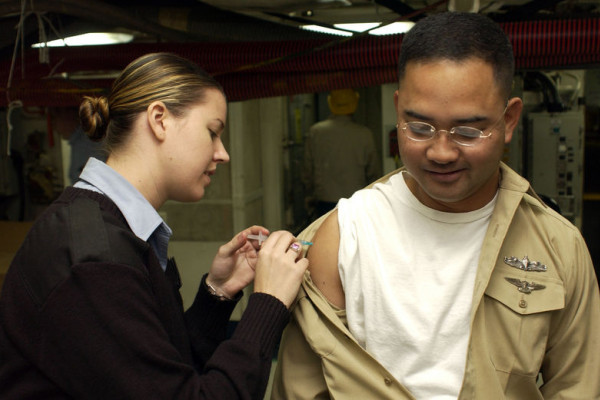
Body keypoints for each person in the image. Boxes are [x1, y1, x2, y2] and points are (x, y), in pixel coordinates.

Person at [272, 12, 600, 399]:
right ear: (398, 110)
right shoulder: (343, 234)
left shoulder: (558, 247)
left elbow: (575, 387)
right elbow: (300, 390)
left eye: (468, 130)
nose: (441, 152)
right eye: (420, 127)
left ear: (509, 120)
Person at [0, 52, 309, 399]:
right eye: (212, 132)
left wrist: (218, 293)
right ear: (160, 119)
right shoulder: (94, 258)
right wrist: (268, 302)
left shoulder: (113, 228)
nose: (223, 154)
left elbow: (161, 367)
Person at [302, 88, 381, 219]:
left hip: (324, 201)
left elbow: (307, 170)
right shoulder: (364, 134)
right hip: (355, 200)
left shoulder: (316, 132)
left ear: (331, 103)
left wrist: (309, 194)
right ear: (355, 104)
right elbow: (373, 173)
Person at [52, 107, 106, 185]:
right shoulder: (78, 142)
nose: (54, 127)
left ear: (68, 117)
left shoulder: (89, 143)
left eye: (54, 119)